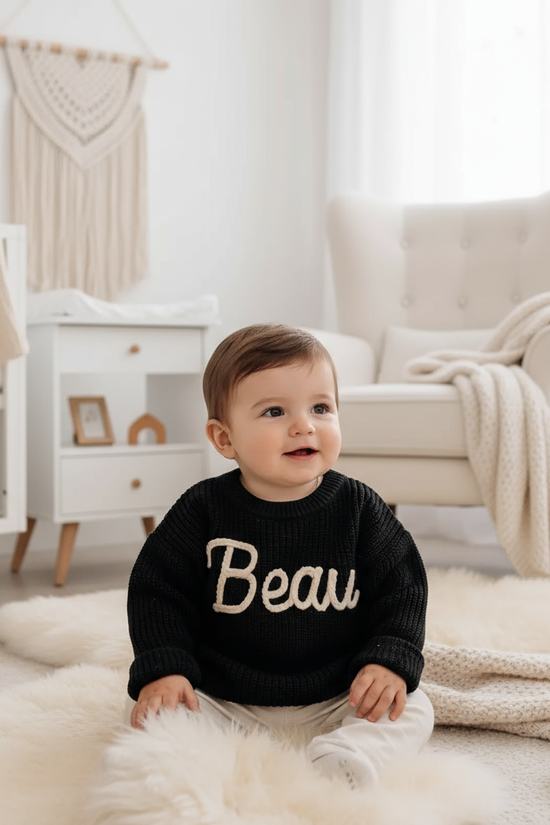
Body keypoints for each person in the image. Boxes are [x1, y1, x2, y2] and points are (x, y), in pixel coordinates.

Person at [126, 322, 434, 789]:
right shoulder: (201, 509)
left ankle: (346, 757)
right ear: (224, 438)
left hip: (338, 691)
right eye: (274, 411)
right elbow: (157, 591)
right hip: (225, 695)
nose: (303, 425)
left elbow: (403, 586)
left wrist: (389, 660)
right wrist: (165, 670)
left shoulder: (359, 508)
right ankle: (176, 776)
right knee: (155, 715)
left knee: (413, 705)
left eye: (321, 407)